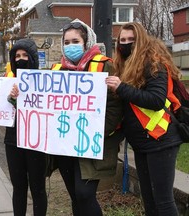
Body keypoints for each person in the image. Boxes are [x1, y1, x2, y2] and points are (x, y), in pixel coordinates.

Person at [106, 22, 182, 216]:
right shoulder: (124, 66)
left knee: (163, 201)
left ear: (141, 41)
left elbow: (156, 100)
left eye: (131, 40)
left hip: (161, 139)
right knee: (149, 201)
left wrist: (121, 87)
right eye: (122, 40)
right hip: (141, 143)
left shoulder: (153, 64)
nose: (126, 44)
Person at [50, 19, 124, 216]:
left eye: (75, 41)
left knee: (84, 194)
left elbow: (116, 105)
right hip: (66, 145)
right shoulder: (58, 69)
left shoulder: (106, 66)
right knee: (75, 195)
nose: (70, 46)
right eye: (66, 42)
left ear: (87, 42)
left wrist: (98, 129)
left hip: (91, 143)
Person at [5, 38, 48, 216]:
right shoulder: (7, 81)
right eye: (17, 56)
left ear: (33, 57)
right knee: (18, 187)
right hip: (13, 140)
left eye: (25, 55)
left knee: (37, 187)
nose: (21, 59)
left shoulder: (45, 81)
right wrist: (12, 98)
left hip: (36, 140)